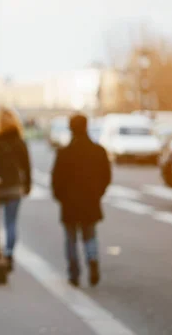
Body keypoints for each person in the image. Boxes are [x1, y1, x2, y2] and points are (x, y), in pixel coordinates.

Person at [51, 113, 111, 287]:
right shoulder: (98, 151)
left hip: (69, 202)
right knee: (90, 235)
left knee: (70, 238)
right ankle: (92, 260)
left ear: (71, 129)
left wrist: (60, 196)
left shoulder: (64, 153)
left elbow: (56, 179)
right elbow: (106, 176)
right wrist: (98, 192)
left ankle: (74, 271)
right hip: (90, 199)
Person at [0, 107, 31, 272]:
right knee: (11, 223)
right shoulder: (19, 140)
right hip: (14, 186)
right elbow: (26, 166)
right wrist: (27, 184)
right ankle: (9, 254)